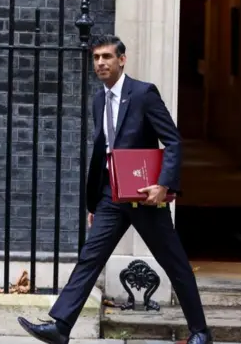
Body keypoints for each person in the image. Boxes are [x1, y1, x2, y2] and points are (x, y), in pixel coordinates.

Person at [17, 35, 213, 344]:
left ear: (121, 60)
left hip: (144, 196)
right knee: (89, 258)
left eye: (107, 57)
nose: (100, 63)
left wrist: (163, 185)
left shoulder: (143, 94)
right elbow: (102, 153)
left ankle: (200, 331)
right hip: (111, 195)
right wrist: (94, 203)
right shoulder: (99, 100)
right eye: (96, 58)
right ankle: (61, 326)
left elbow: (173, 140)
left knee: (173, 262)